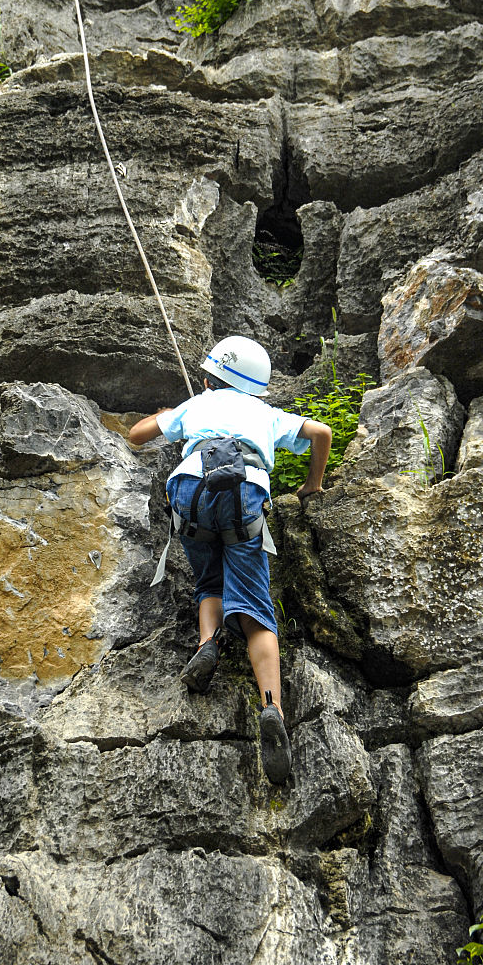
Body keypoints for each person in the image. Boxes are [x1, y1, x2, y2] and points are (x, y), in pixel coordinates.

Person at [129, 335, 332, 784]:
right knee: (256, 609)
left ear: (208, 379)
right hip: (244, 490)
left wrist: (170, 413)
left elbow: (137, 435)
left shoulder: (196, 405)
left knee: (210, 583)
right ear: (257, 387)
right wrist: (313, 484)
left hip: (189, 489)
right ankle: (272, 707)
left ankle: (208, 644)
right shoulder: (267, 413)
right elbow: (322, 433)